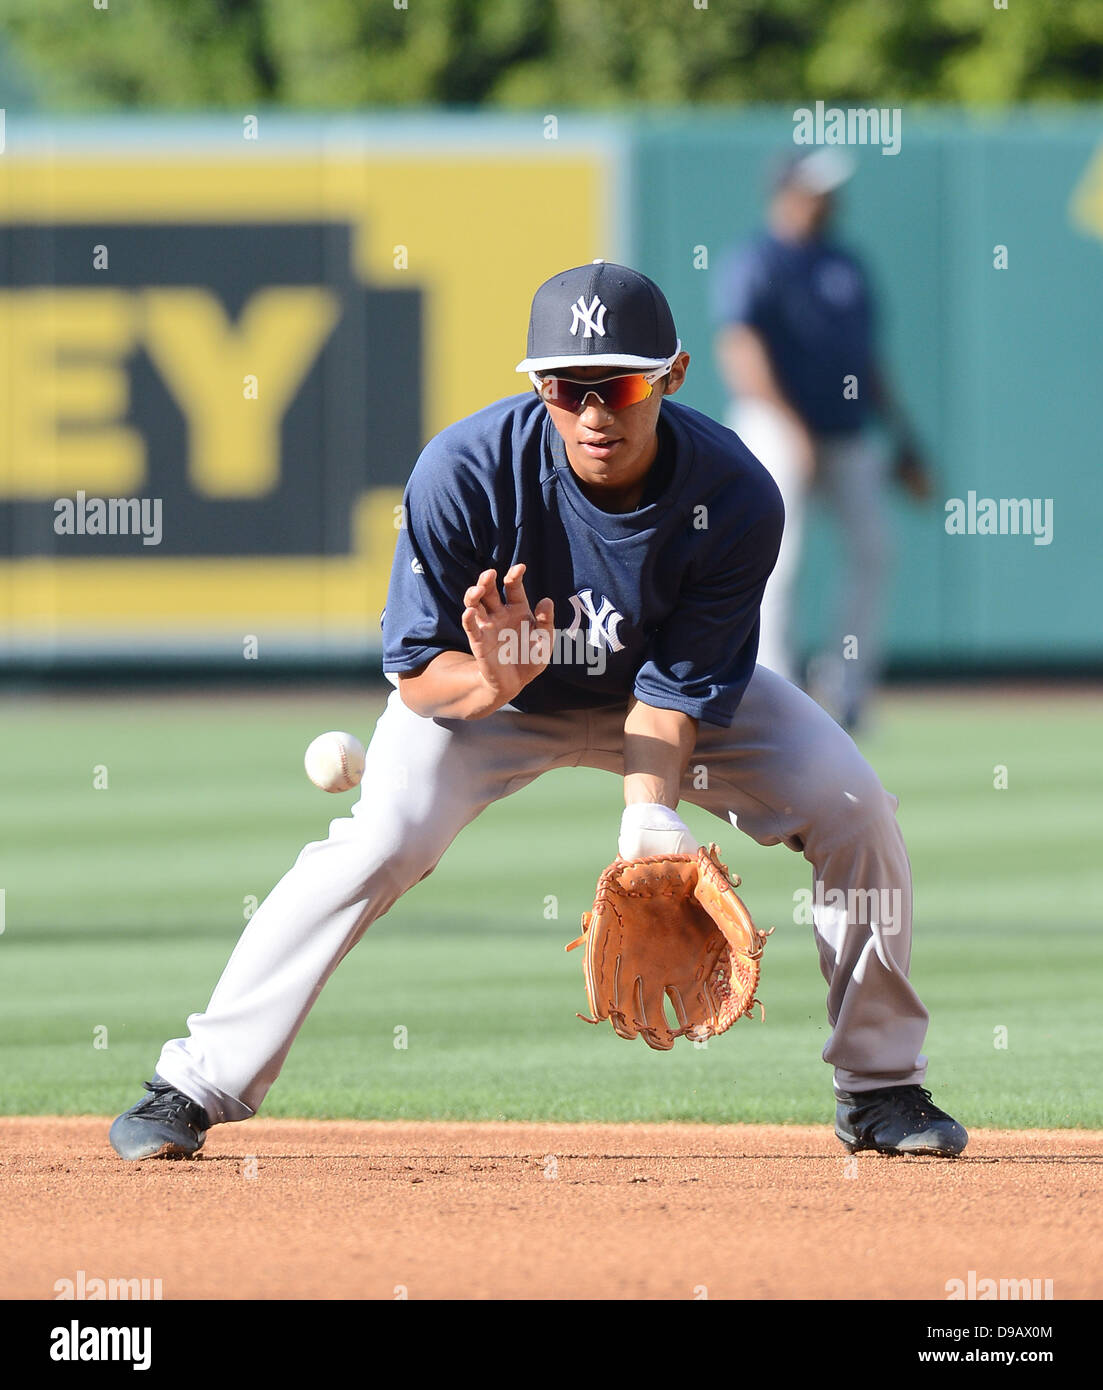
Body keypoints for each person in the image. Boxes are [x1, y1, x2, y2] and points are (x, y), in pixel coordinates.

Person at [109, 260, 966, 1162]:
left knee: (856, 812)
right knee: (377, 841)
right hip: (495, 702)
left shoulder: (733, 494)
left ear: (671, 376)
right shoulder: (464, 471)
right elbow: (414, 675)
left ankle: (879, 1090)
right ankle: (194, 1084)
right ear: (537, 387)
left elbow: (671, 695)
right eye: (568, 387)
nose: (596, 412)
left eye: (623, 384)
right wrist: (490, 685)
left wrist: (649, 822)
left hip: (665, 701)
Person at [713, 150, 931, 731]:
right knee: (778, 555)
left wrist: (905, 441)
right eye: (817, 189)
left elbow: (869, 360)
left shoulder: (846, 263)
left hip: (846, 430)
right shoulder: (757, 259)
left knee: (875, 549)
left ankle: (847, 687)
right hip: (774, 425)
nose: (830, 200)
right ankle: (771, 687)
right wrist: (791, 427)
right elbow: (739, 348)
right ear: (787, 192)